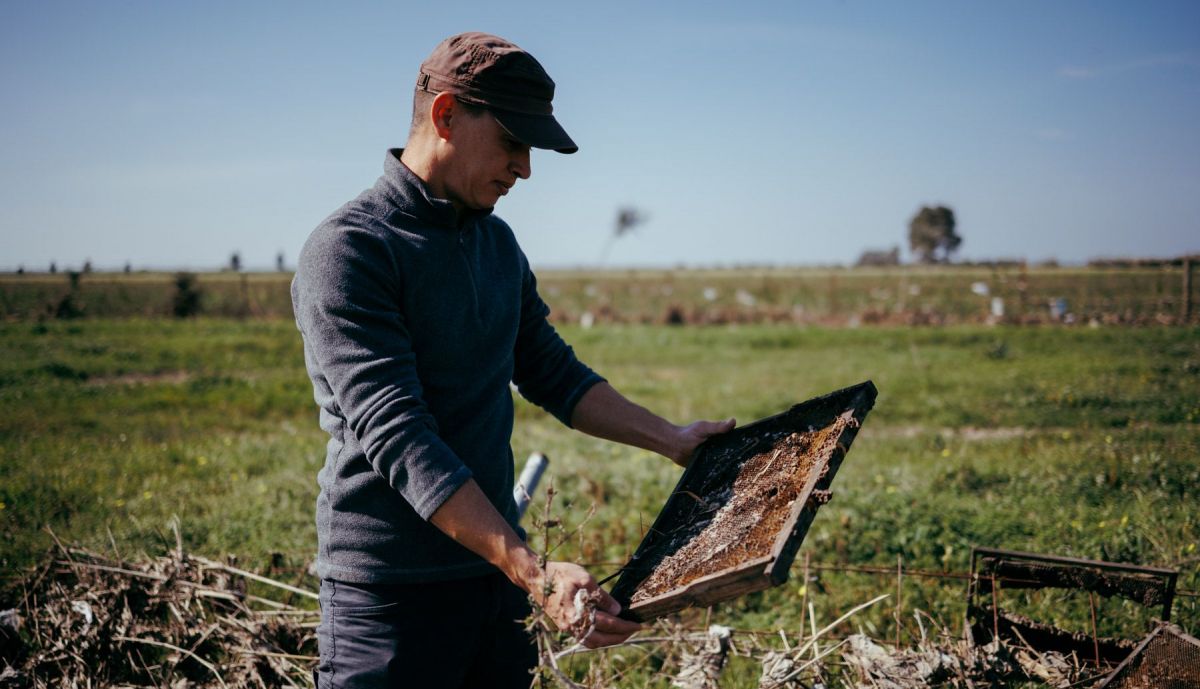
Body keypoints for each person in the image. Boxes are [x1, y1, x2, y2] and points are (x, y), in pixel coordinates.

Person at [291, 31, 734, 688]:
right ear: (445, 116)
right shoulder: (351, 251)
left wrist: (672, 439)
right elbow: (401, 437)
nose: (525, 168)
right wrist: (535, 571)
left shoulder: (497, 245)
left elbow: (553, 373)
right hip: (388, 602)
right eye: (512, 142)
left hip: (492, 588)